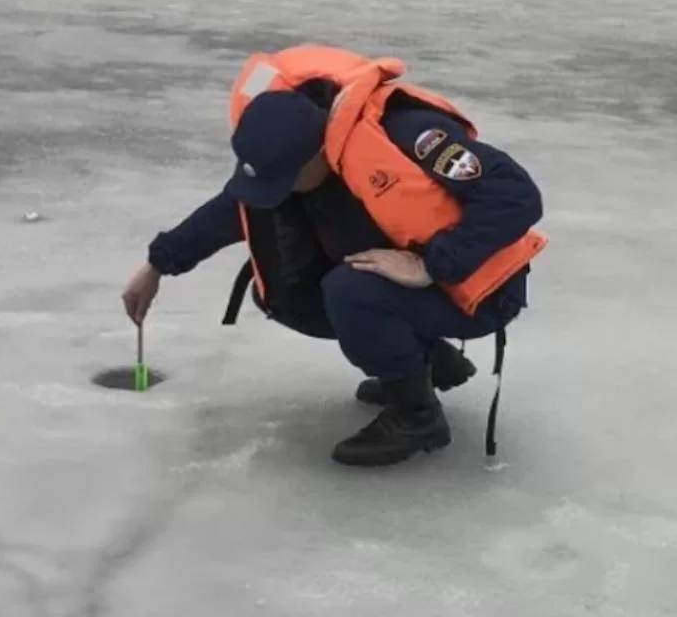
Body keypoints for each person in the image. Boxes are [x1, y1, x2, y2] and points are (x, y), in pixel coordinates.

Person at [121, 45, 548, 467]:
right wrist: (158, 264)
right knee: (284, 290)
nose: (280, 192)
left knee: (348, 289)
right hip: (414, 282)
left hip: (479, 292)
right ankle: (426, 361)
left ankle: (416, 415)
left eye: (286, 180)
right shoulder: (296, 153)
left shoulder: (409, 135)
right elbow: (232, 211)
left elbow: (516, 196)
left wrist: (433, 265)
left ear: (318, 151)